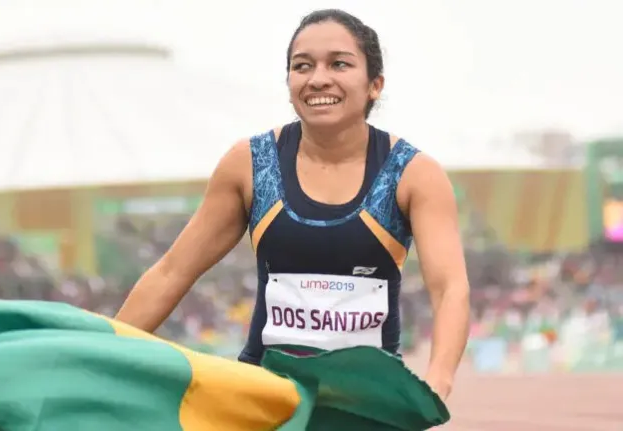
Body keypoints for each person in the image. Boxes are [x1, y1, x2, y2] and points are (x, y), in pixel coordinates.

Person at [116, 8, 470, 401]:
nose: (318, 78)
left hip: (369, 406)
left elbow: (450, 288)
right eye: (302, 66)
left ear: (374, 84)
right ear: (288, 81)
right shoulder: (251, 164)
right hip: (267, 401)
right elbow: (172, 272)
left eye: (339, 64)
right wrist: (101, 352)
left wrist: (440, 379)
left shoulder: (412, 174)